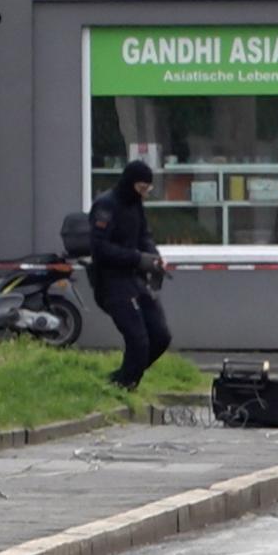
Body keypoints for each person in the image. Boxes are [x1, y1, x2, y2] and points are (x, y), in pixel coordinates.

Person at [88, 159, 172, 391]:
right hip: (112, 282)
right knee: (138, 339)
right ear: (130, 183)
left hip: (136, 279)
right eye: (141, 188)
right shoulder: (106, 206)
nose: (144, 194)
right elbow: (100, 248)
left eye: (148, 189)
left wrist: (154, 258)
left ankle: (123, 377)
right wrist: (137, 258)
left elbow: (144, 235)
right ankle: (123, 385)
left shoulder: (136, 206)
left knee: (160, 336)